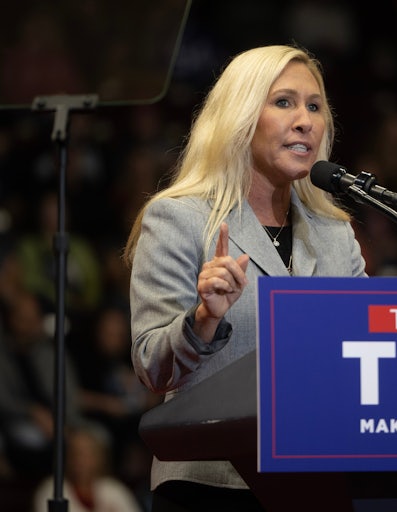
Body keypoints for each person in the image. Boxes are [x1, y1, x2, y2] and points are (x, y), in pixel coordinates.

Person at [122, 44, 367, 511]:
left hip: (317, 483)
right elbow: (152, 368)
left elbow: (357, 359)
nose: (305, 120)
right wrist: (202, 321)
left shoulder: (336, 235)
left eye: (315, 106)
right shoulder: (179, 219)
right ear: (240, 117)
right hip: (211, 487)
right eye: (284, 102)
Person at [31, 423, 143, 512]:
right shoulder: (53, 489)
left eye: (87, 454)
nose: (80, 460)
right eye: (75, 452)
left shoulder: (114, 490)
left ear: (100, 457)